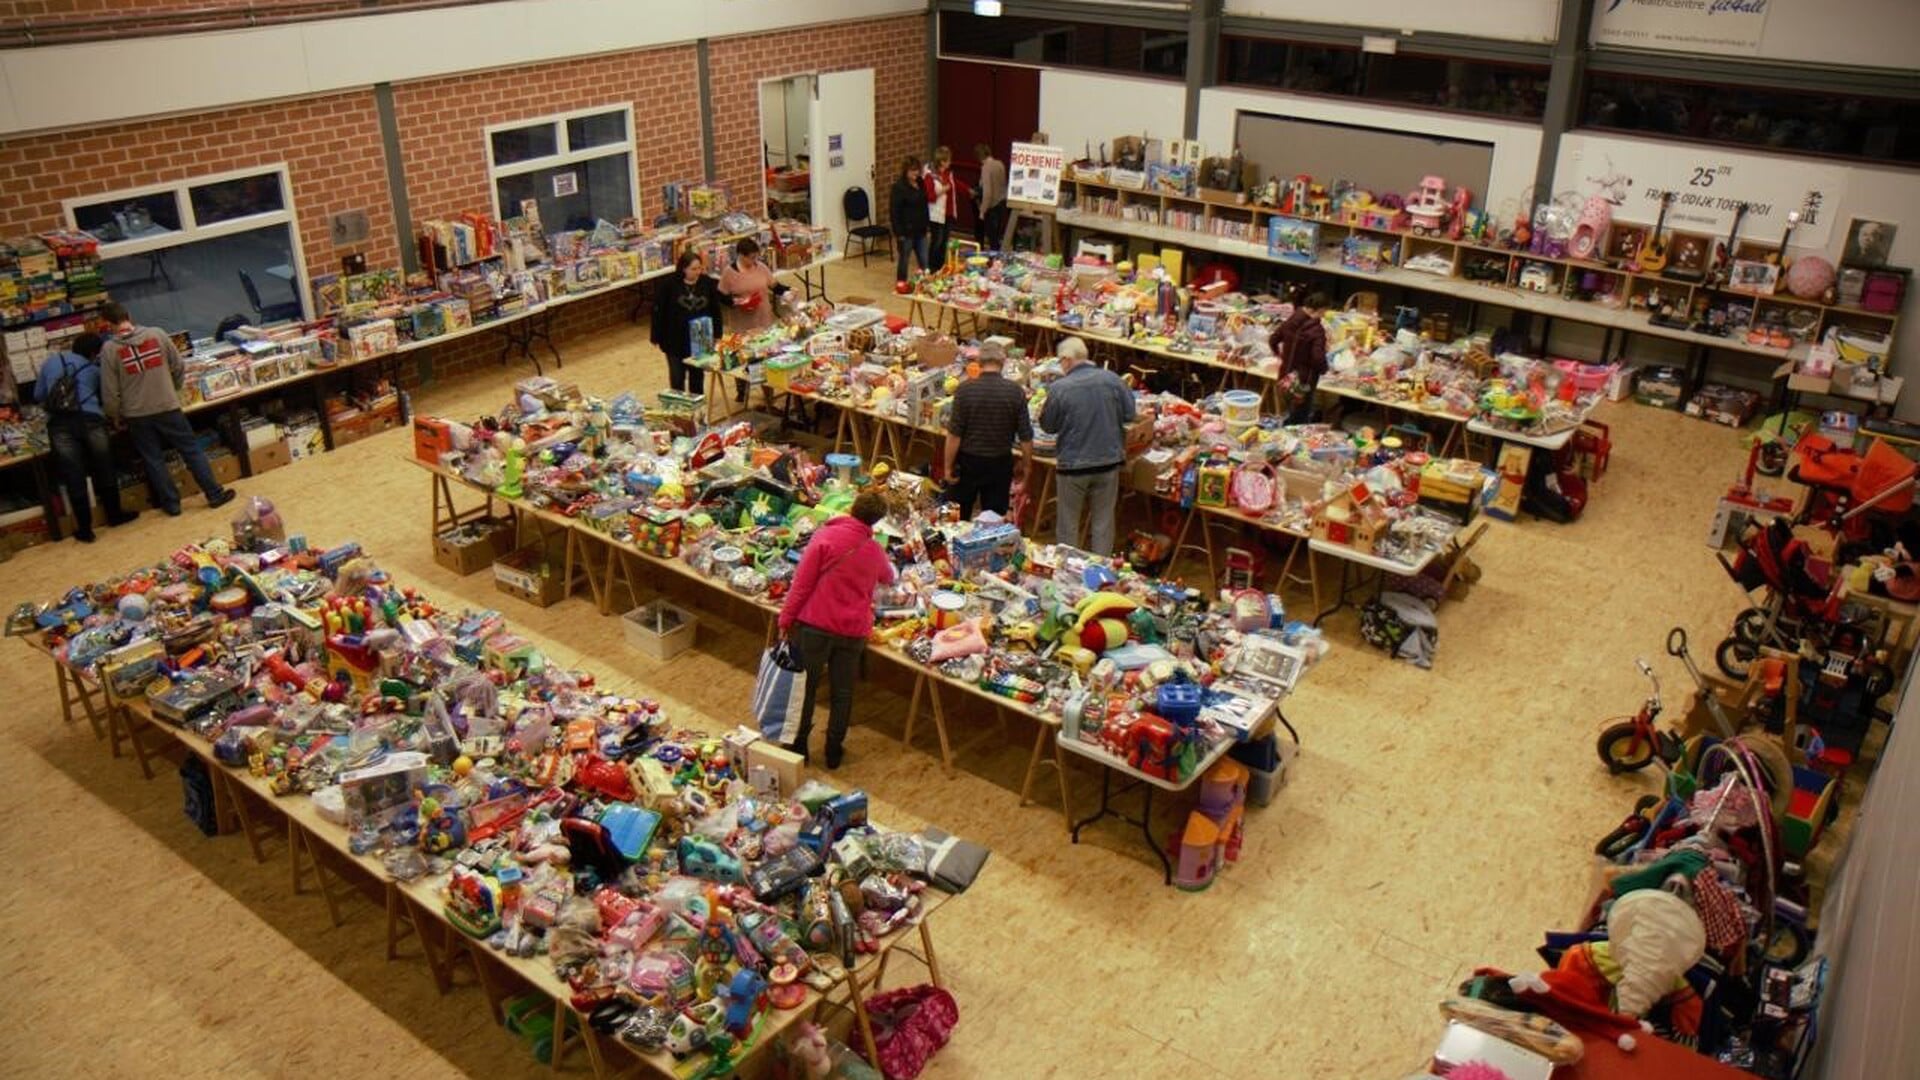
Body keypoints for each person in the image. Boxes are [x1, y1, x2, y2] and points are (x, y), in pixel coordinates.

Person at [777, 491, 897, 769]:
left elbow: (802, 584)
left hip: (815, 626)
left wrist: (785, 619)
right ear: (876, 521)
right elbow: (888, 577)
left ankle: (799, 747)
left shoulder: (825, 537)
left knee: (806, 688)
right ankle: (833, 750)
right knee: (842, 692)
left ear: (852, 508)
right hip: (853, 632)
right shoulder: (874, 550)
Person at [98, 302, 234, 517]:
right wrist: (173, 388)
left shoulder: (109, 350)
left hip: (136, 414)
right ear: (129, 316)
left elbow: (109, 390)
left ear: (108, 325)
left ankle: (171, 504)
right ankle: (214, 494)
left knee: (153, 459)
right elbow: (179, 365)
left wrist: (114, 415)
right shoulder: (158, 335)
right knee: (191, 449)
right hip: (167, 406)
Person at [35, 331, 136, 542]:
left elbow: (38, 395)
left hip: (60, 424)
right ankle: (114, 515)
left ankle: (85, 529)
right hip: (92, 420)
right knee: (104, 466)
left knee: (73, 474)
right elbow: (106, 394)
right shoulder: (94, 369)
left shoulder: (51, 362)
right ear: (93, 353)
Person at [1039, 337, 1134, 556]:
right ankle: (1101, 572)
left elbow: (1049, 426)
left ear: (1066, 359)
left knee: (1068, 523)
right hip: (1108, 462)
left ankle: (1069, 571)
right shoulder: (1113, 380)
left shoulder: (1060, 388)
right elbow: (1129, 414)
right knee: (1103, 521)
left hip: (1073, 466)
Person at [943, 341, 1033, 518]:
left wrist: (948, 467)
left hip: (967, 463)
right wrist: (1028, 468)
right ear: (1003, 362)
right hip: (999, 464)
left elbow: (954, 435)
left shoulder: (964, 390)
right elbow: (1025, 437)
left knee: (956, 516)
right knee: (993, 522)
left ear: (978, 362)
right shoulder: (1015, 392)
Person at [649, 249, 724, 395]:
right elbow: (659, 311)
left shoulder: (707, 283)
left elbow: (716, 309)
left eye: (699, 268)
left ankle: (697, 410)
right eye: (693, 269)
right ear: (684, 269)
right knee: (677, 378)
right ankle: (680, 409)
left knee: (697, 377)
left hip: (700, 339)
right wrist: (656, 335)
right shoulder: (669, 285)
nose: (697, 272)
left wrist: (717, 333)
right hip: (675, 339)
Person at [718, 237, 778, 403]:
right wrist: (736, 302)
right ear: (741, 256)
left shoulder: (761, 268)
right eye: (751, 257)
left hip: (763, 319)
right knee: (744, 358)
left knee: (764, 358)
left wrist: (787, 292)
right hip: (742, 323)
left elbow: (775, 285)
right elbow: (722, 297)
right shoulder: (729, 273)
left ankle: (768, 395)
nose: (754, 261)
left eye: (756, 257)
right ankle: (742, 391)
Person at [1269, 291, 1330, 423]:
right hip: (1303, 381)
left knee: (1290, 408)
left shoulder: (1290, 321)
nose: (1324, 315)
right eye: (1324, 311)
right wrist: (1324, 369)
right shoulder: (1317, 331)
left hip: (1285, 375)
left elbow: (1273, 340)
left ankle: (1286, 430)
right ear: (1319, 309)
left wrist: (1280, 355)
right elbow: (1318, 358)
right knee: (1300, 414)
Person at [922, 146, 970, 273]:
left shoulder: (948, 173)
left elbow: (955, 184)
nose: (950, 162)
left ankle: (941, 267)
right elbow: (929, 196)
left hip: (948, 213)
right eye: (948, 160)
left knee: (944, 242)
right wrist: (943, 190)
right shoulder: (930, 175)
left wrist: (968, 190)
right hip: (936, 214)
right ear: (942, 161)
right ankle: (932, 268)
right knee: (936, 241)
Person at [889, 156, 931, 293]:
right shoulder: (899, 188)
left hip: (921, 230)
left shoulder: (921, 182)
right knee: (904, 260)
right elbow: (894, 212)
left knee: (924, 260)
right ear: (905, 171)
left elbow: (925, 204)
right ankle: (901, 284)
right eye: (912, 171)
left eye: (917, 170)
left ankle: (925, 283)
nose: (916, 174)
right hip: (906, 232)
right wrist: (898, 233)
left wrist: (927, 224)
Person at [974, 142, 1007, 250]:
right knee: (998, 238)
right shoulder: (1000, 164)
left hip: (992, 208)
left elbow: (987, 192)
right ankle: (999, 261)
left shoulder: (986, 168)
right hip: (1002, 204)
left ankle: (994, 263)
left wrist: (982, 211)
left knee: (992, 240)